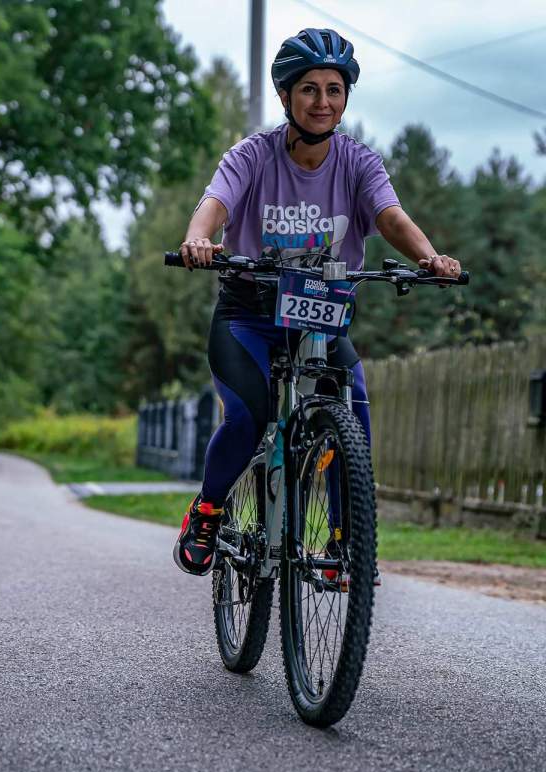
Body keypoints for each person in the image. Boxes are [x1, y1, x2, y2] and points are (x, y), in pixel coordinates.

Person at [174, 28, 461, 577]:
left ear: (346, 96)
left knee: (351, 407)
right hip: (250, 318)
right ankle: (209, 508)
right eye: (309, 89)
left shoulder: (358, 163)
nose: (323, 101)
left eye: (334, 89)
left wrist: (430, 257)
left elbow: (389, 217)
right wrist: (198, 239)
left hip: (320, 319)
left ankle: (338, 538)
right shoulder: (253, 155)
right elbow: (214, 205)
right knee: (251, 414)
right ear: (287, 97)